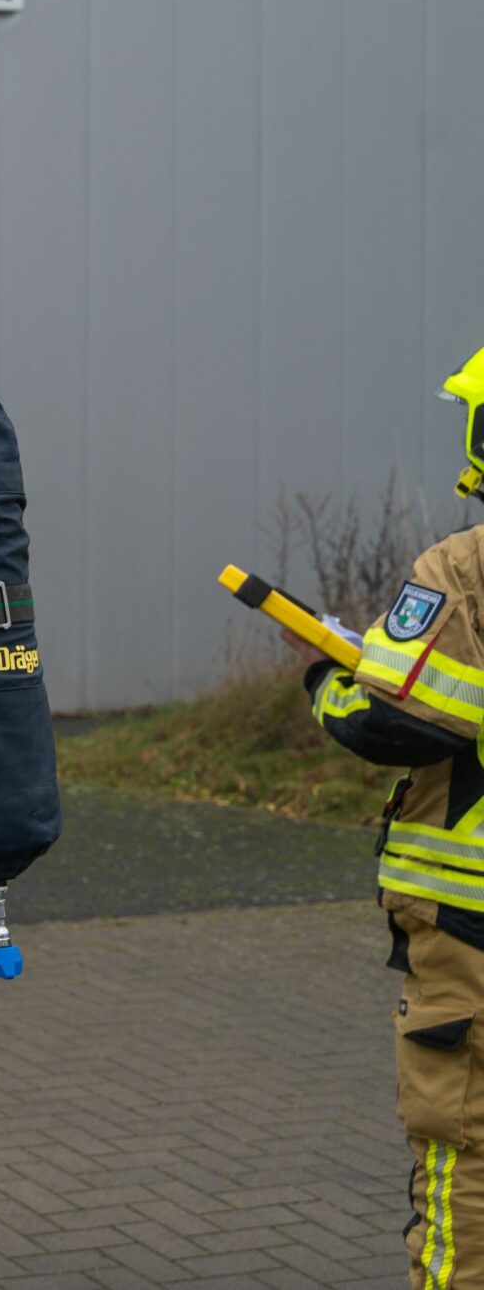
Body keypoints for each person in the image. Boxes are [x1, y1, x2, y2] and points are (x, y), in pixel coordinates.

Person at [308, 346, 484, 1289]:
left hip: (471, 923)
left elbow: (400, 717)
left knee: (464, 1164)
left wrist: (326, 680)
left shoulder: (463, 567)